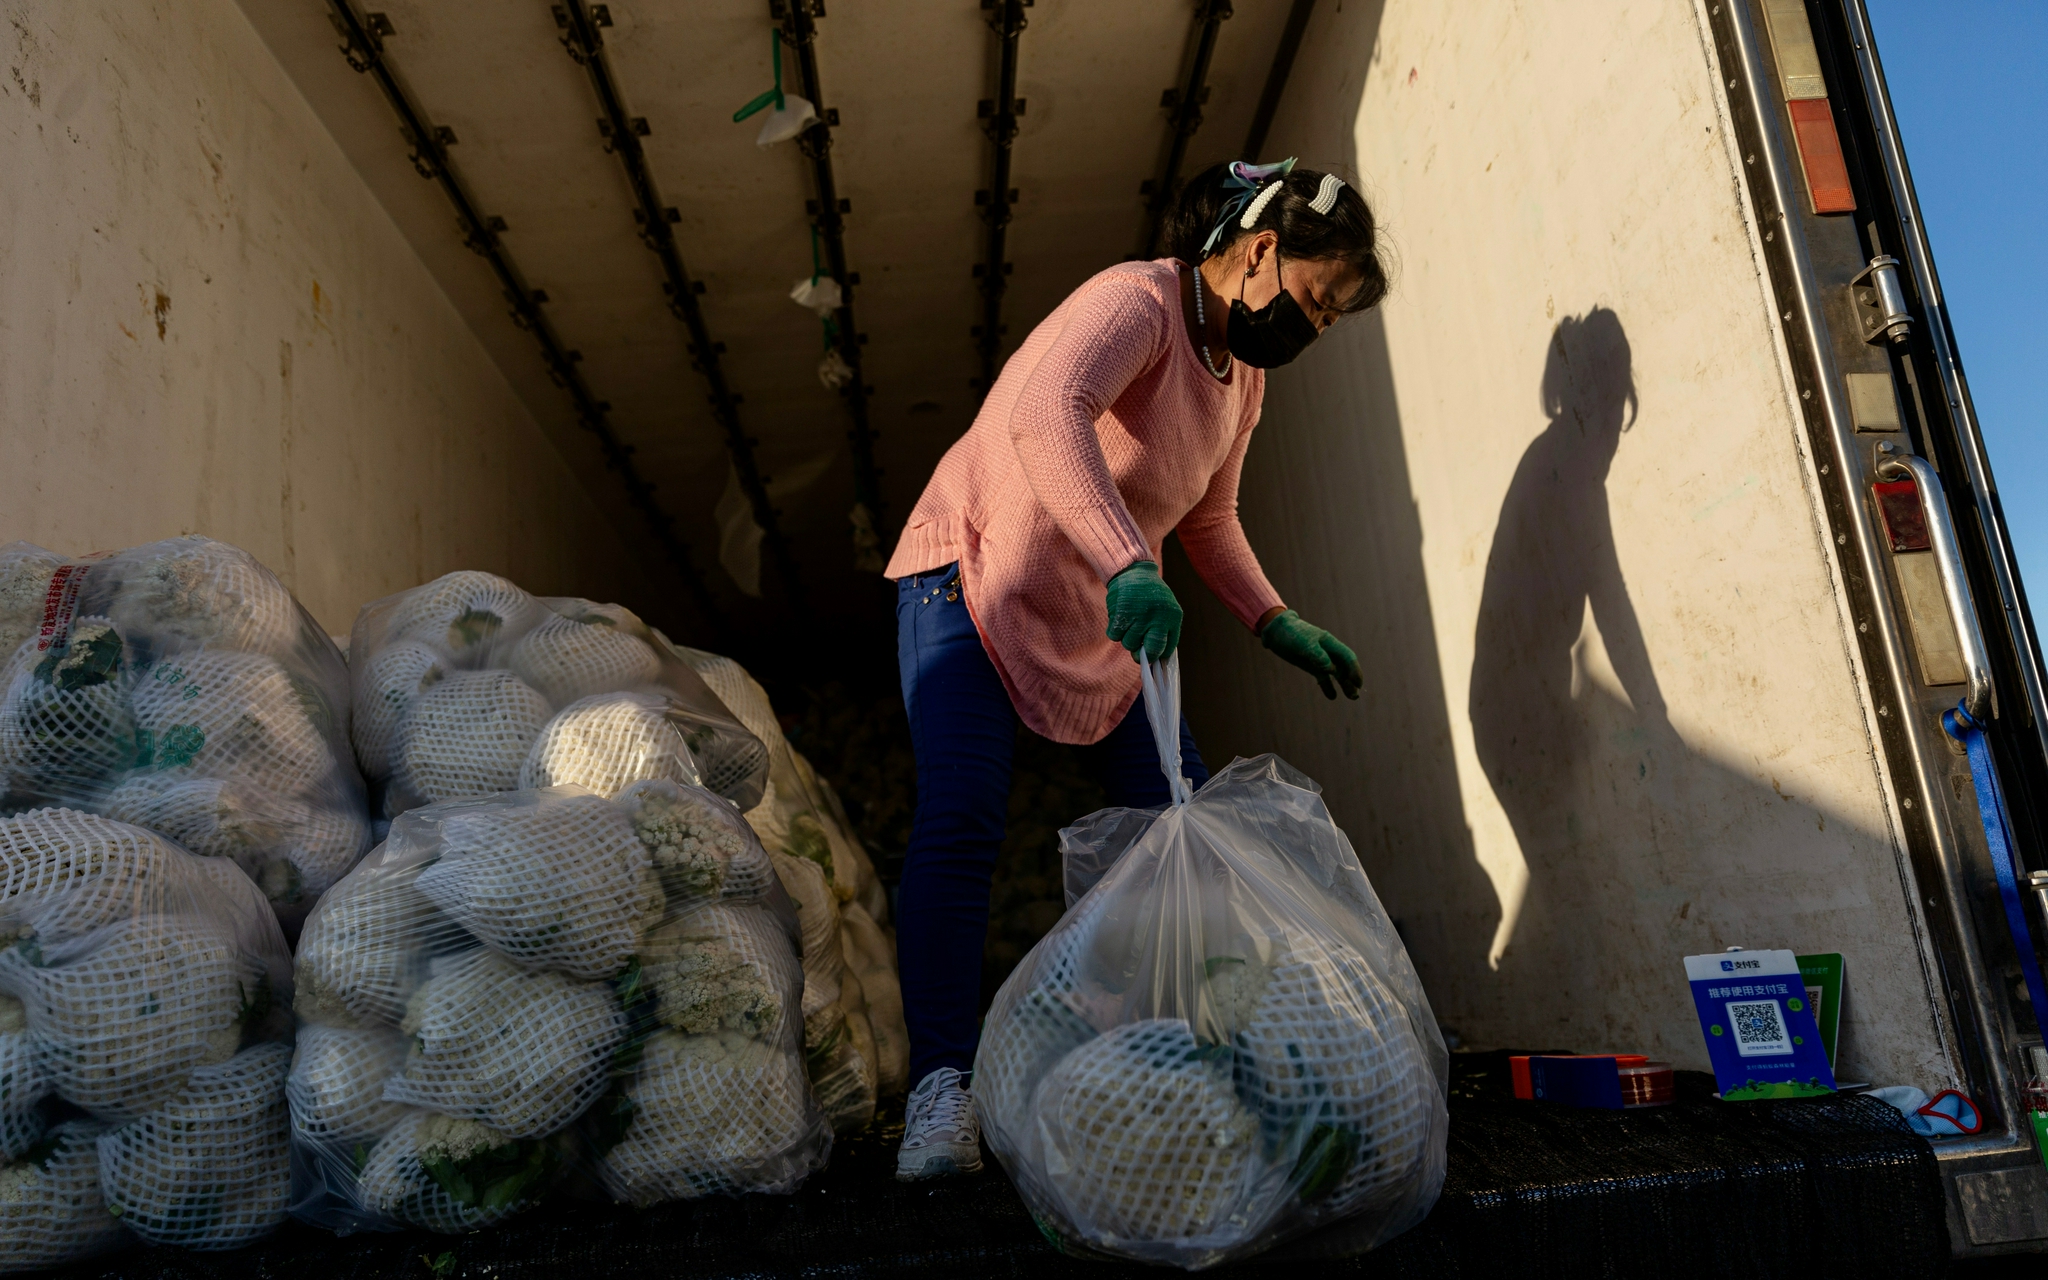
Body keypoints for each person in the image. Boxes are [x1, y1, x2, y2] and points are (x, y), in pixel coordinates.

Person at [882, 158, 1388, 1180]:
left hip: (1103, 607)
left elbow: (1207, 516)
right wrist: (1125, 562)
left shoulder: (1238, 380)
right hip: (975, 573)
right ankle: (939, 1089)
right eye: (1314, 299)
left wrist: (1271, 618)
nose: (1316, 328)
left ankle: (1214, 1060)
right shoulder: (1135, 300)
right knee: (963, 814)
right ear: (1256, 252)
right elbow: (1045, 414)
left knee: (1181, 828)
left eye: (1332, 318)